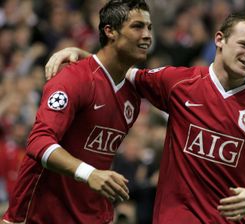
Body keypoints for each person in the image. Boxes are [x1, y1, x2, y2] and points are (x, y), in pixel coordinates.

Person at [45, 13, 245, 224]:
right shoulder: (178, 83)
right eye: (244, 45)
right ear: (220, 40)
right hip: (178, 217)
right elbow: (117, 71)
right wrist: (82, 55)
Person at [1, 0, 152, 223]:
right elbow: (39, 142)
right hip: (46, 216)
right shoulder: (74, 79)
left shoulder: (132, 95)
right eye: (137, 26)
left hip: (96, 216)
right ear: (110, 31)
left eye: (149, 27)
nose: (147, 35)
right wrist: (88, 173)